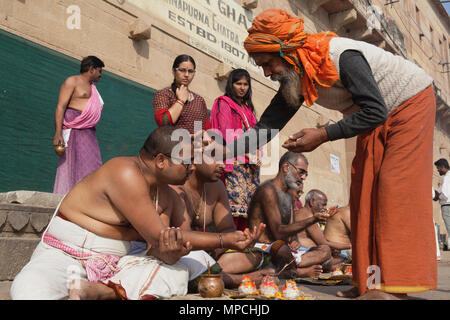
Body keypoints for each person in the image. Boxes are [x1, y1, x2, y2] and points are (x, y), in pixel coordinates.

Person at [222, 8, 437, 299]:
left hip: (410, 102)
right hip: (375, 115)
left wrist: (323, 135)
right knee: (364, 196)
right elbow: (265, 128)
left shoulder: (342, 57)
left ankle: (395, 290)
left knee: (392, 190)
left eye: (267, 63)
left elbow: (375, 110)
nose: (266, 72)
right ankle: (371, 284)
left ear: (287, 51)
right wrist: (222, 148)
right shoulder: (298, 74)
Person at [11, 127, 261, 300]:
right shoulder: (125, 171)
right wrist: (226, 240)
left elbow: (172, 242)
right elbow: (158, 236)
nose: (192, 167)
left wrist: (172, 252)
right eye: (187, 162)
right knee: (29, 292)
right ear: (161, 161)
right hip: (67, 254)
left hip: (123, 261)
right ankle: (101, 289)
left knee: (194, 264)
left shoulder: (167, 193)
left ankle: (104, 292)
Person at [170, 153, 274, 289]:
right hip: (184, 254)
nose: (223, 165)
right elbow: (185, 239)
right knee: (197, 258)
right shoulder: (178, 188)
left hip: (210, 255)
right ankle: (238, 279)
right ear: (194, 162)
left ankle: (215, 274)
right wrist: (220, 241)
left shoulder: (217, 186)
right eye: (215, 159)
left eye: (223, 160)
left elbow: (227, 230)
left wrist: (240, 240)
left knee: (254, 255)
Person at [247, 152, 331, 278]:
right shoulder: (268, 191)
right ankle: (297, 272)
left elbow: (292, 228)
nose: (303, 177)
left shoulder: (288, 195)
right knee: (281, 248)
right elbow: (279, 231)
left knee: (325, 250)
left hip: (286, 250)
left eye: (305, 174)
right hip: (265, 248)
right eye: (301, 172)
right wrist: (313, 219)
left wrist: (295, 240)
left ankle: (288, 268)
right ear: (286, 167)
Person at [210, 69, 260, 231]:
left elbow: (256, 135)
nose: (242, 88)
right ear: (231, 84)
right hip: (234, 161)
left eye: (245, 84)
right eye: (238, 83)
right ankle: (231, 242)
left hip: (250, 165)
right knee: (233, 209)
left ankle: (244, 243)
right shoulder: (223, 102)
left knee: (249, 209)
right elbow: (226, 133)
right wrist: (246, 153)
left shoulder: (248, 109)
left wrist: (258, 153)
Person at [53, 56, 105, 195]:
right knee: (70, 165)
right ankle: (67, 198)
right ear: (91, 69)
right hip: (73, 128)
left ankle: (87, 198)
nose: (100, 75)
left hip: (89, 132)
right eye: (99, 71)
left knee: (93, 165)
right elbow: (60, 107)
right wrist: (58, 133)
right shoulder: (72, 81)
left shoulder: (93, 88)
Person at [292, 192, 351, 273]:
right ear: (312, 202)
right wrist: (350, 246)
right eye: (323, 205)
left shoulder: (302, 213)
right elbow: (323, 242)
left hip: (307, 252)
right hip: (306, 253)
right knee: (331, 252)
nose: (324, 208)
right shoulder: (307, 215)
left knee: (340, 259)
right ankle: (293, 267)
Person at [153, 54, 210, 134]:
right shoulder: (164, 94)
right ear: (174, 71)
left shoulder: (199, 100)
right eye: (182, 70)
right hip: (171, 145)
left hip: (194, 145)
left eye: (190, 71)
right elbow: (164, 123)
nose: (186, 75)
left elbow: (204, 129)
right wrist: (180, 101)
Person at [433, 158, 450, 250]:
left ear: (443, 167)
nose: (437, 170)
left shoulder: (447, 177)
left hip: (447, 206)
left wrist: (436, 196)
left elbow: (444, 194)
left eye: (438, 168)